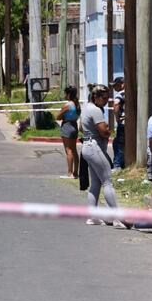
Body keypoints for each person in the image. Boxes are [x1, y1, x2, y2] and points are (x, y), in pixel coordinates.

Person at [81, 84, 127, 228]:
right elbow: (103, 131)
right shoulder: (96, 110)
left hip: (87, 146)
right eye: (104, 98)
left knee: (95, 183)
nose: (107, 101)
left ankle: (92, 216)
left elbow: (80, 128)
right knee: (107, 181)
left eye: (108, 98)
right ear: (96, 97)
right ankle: (118, 218)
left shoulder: (87, 107)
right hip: (94, 147)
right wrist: (108, 130)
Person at [56, 85, 80, 179]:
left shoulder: (68, 105)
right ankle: (76, 173)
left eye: (66, 93)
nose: (65, 95)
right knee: (74, 150)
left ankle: (69, 173)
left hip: (67, 126)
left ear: (69, 94)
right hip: (74, 125)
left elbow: (58, 116)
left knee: (68, 150)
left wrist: (62, 116)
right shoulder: (77, 104)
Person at [111, 76, 125, 170]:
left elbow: (116, 105)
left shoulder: (119, 94)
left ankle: (117, 165)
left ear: (121, 84)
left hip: (122, 123)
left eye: (115, 85)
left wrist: (117, 118)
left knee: (118, 143)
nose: (114, 88)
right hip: (129, 123)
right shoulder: (128, 94)